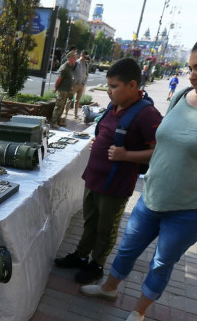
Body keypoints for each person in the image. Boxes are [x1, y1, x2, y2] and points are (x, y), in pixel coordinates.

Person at [82, 32, 197, 321]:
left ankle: (139, 311)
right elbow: (165, 143)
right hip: (152, 196)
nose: (192, 75)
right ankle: (109, 288)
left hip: (191, 209)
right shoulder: (182, 96)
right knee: (127, 247)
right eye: (191, 67)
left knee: (162, 261)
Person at [54, 58, 162, 284]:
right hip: (94, 177)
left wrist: (126, 156)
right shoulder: (114, 107)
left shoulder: (147, 114)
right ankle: (81, 256)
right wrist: (98, 141)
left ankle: (97, 264)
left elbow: (161, 152)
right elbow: (106, 132)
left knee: (106, 228)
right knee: (90, 222)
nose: (109, 91)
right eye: (109, 86)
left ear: (133, 85)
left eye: (114, 86)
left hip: (115, 185)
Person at [52, 49, 77, 128]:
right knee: (59, 106)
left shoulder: (72, 65)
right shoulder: (64, 68)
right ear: (69, 58)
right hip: (62, 90)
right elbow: (59, 79)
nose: (75, 59)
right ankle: (54, 122)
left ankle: (59, 121)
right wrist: (56, 88)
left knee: (62, 107)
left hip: (67, 90)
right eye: (74, 58)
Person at [68, 50, 91, 120]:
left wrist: (84, 83)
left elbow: (86, 74)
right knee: (69, 99)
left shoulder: (86, 64)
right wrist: (73, 81)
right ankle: (65, 113)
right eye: (84, 57)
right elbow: (70, 72)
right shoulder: (76, 63)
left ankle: (75, 114)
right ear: (81, 55)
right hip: (74, 85)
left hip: (81, 85)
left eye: (86, 57)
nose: (85, 59)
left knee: (77, 100)